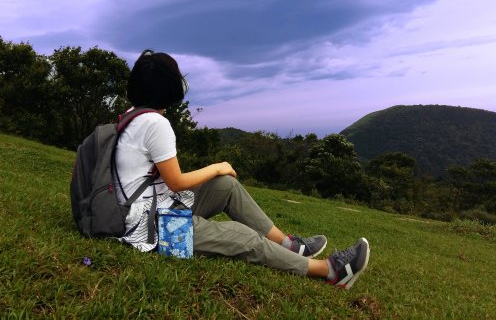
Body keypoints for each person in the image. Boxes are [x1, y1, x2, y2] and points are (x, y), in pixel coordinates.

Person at [114, 49, 369, 289]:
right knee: (242, 236)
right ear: (168, 88)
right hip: (150, 228)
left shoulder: (131, 116)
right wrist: (216, 166)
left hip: (150, 210)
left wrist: (218, 174)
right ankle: (332, 271)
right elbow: (177, 182)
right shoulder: (155, 123)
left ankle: (288, 245)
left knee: (225, 185)